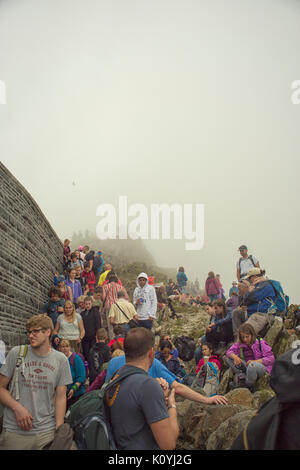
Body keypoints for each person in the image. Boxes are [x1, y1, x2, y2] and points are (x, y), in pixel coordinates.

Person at [0, 314, 72, 450]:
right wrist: (17, 408)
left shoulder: (61, 360)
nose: (31, 335)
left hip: (46, 432)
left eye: (36, 331)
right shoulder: (17, 353)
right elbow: (1, 388)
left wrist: (59, 429)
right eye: (29, 332)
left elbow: (61, 397)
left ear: (48, 332)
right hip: (15, 432)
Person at [105, 327, 179, 450]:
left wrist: (160, 396)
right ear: (151, 353)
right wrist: (171, 406)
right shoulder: (147, 386)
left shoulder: (115, 378)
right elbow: (168, 444)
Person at [105, 334, 228, 406]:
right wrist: (206, 399)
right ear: (151, 351)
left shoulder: (114, 362)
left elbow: (107, 389)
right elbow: (177, 387)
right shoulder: (153, 363)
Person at [226, 323, 274, 390]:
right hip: (247, 367)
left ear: (252, 335)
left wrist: (255, 361)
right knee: (229, 359)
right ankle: (242, 378)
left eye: (247, 336)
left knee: (252, 366)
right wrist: (235, 357)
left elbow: (271, 359)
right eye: (243, 337)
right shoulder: (239, 343)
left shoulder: (260, 342)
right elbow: (228, 352)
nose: (245, 339)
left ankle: (248, 385)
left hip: (260, 368)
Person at [242, 268, 277, 335]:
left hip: (261, 314)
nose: (249, 280)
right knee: (236, 313)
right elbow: (244, 301)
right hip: (253, 313)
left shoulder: (264, 285)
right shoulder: (257, 286)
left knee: (246, 333)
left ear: (255, 277)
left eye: (249, 278)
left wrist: (249, 291)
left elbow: (249, 299)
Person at [59, 339, 86, 409]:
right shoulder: (59, 359)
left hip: (76, 394)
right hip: (63, 394)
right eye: (63, 347)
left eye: (67, 346)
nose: (65, 349)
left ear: (70, 347)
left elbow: (81, 376)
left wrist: (73, 389)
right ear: (59, 348)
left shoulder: (76, 358)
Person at [80, 297, 102, 364]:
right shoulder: (82, 314)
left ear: (92, 304)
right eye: (86, 304)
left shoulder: (95, 311)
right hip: (85, 337)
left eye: (89, 304)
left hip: (93, 336)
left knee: (94, 353)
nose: (87, 305)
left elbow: (98, 323)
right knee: (86, 353)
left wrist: (97, 335)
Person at [102, 274, 123, 340]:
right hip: (118, 306)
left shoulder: (105, 286)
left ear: (109, 280)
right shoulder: (120, 287)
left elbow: (103, 297)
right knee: (118, 323)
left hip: (109, 306)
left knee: (110, 326)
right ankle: (119, 339)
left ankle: (112, 341)